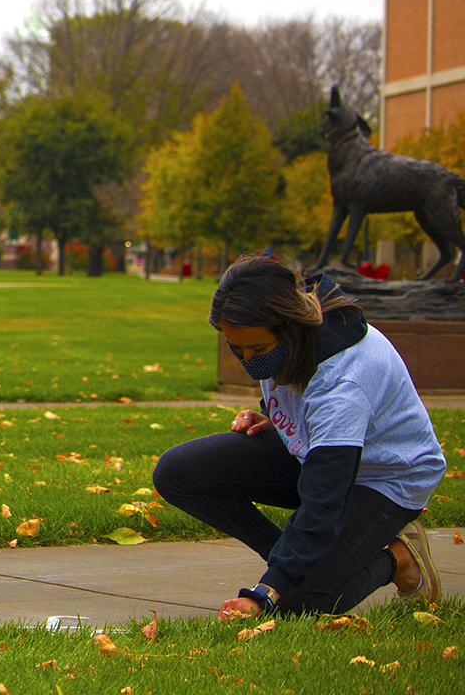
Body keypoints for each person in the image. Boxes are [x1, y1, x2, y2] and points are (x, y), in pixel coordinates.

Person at [154, 254, 445, 619]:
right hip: (318, 450)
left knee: (297, 606)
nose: (247, 360)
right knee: (178, 473)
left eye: (257, 350)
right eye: (235, 349)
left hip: (386, 477)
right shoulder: (290, 336)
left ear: (289, 329)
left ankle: (400, 557)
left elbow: (324, 501)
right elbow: (301, 394)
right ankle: (311, 564)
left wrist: (267, 592)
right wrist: (280, 415)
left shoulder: (343, 381)